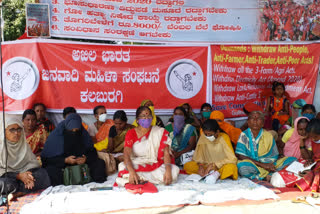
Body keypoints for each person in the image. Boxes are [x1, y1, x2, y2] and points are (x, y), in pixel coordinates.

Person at [116, 106, 179, 186]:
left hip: (156, 162)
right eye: (143, 116)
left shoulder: (159, 131)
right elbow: (126, 154)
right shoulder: (131, 133)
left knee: (174, 170)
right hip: (138, 161)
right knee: (122, 166)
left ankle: (139, 179)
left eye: (149, 116)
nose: (146, 118)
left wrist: (168, 170)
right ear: (137, 120)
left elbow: (166, 153)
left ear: (152, 118)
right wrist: (132, 172)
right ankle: (137, 177)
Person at [41, 113, 106, 186]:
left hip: (82, 165)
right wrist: (65, 160)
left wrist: (85, 159)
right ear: (66, 128)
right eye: (71, 130)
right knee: (50, 170)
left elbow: (92, 152)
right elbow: (46, 159)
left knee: (99, 163)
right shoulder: (57, 136)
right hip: (63, 166)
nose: (74, 132)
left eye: (77, 130)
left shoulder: (83, 134)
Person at [0, 115, 50, 204]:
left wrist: (27, 175)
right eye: (12, 130)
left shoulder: (23, 145)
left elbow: (33, 163)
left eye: (19, 129)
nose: (16, 133)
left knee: (42, 174)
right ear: (4, 131)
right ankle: (20, 190)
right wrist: (18, 176)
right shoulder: (1, 147)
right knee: (4, 183)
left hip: (24, 176)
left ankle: (16, 193)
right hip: (8, 178)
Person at [236, 111, 296, 181]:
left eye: (258, 119)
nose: (255, 121)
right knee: (242, 167)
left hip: (269, 164)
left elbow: (274, 155)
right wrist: (262, 165)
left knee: (292, 160)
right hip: (253, 165)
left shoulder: (268, 135)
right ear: (248, 122)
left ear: (262, 123)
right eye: (253, 118)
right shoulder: (243, 135)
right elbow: (240, 155)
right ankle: (266, 176)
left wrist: (269, 165)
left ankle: (267, 175)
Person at [295, 119, 320, 192]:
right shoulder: (314, 141)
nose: (313, 139)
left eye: (315, 137)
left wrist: (312, 173)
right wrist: (311, 162)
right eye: (311, 137)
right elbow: (315, 157)